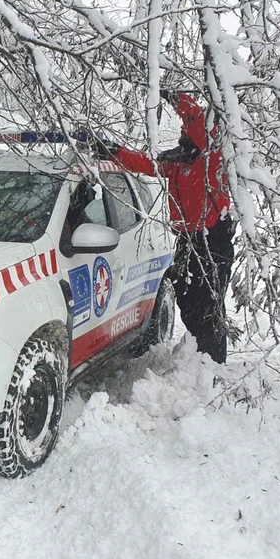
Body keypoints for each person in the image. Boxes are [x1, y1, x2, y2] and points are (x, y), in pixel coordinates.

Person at [96, 91, 235, 363]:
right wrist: (115, 153)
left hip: (213, 239)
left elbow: (198, 121)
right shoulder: (178, 160)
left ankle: (212, 362)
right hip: (187, 239)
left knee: (209, 303)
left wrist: (171, 93)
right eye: (183, 130)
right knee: (184, 293)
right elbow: (146, 164)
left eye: (187, 128)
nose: (184, 132)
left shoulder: (212, 155)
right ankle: (197, 355)